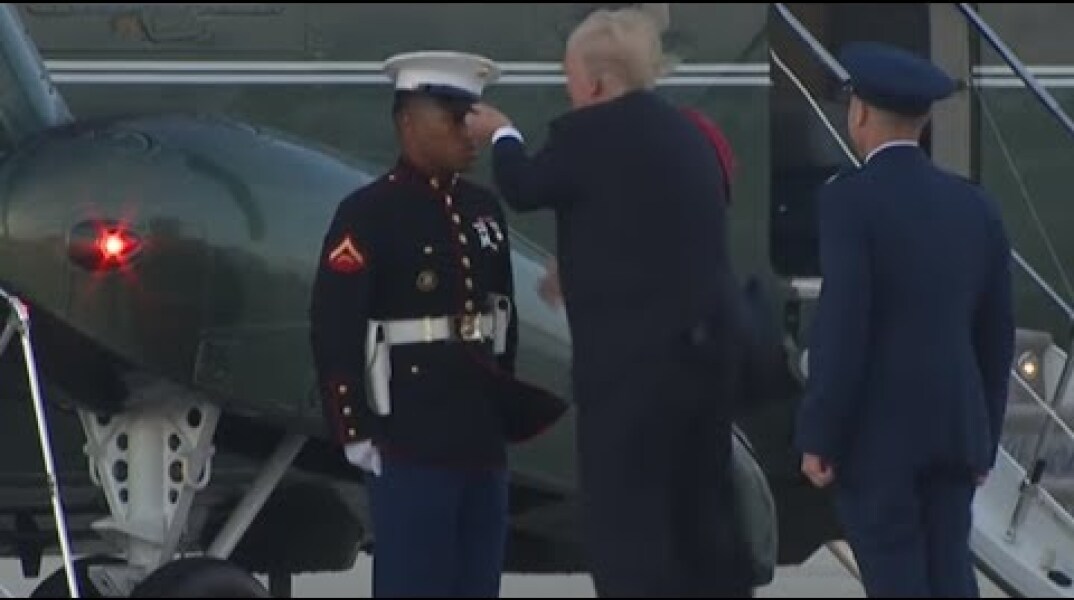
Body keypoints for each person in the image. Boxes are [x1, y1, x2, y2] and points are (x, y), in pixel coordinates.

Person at [467, 7, 751, 597]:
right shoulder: (685, 135)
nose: (569, 91)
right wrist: (581, 265)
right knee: (699, 524)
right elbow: (649, 231)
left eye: (570, 77)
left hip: (632, 381)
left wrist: (502, 133)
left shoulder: (591, 133)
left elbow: (524, 187)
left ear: (596, 81)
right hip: (705, 369)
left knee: (628, 528)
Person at [309, 50, 567, 598]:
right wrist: (352, 428)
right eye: (451, 114)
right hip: (410, 435)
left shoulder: (482, 209)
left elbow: (503, 319)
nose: (468, 128)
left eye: (472, 113)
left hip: (479, 436)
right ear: (407, 120)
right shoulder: (369, 211)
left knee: (477, 584)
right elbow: (335, 323)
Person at [794, 41, 1014, 597]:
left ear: (860, 112)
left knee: (896, 579)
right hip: (955, 429)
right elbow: (995, 335)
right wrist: (983, 438)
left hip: (878, 438)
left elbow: (844, 324)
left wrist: (820, 432)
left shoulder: (849, 202)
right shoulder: (975, 205)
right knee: (951, 578)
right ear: (922, 122)